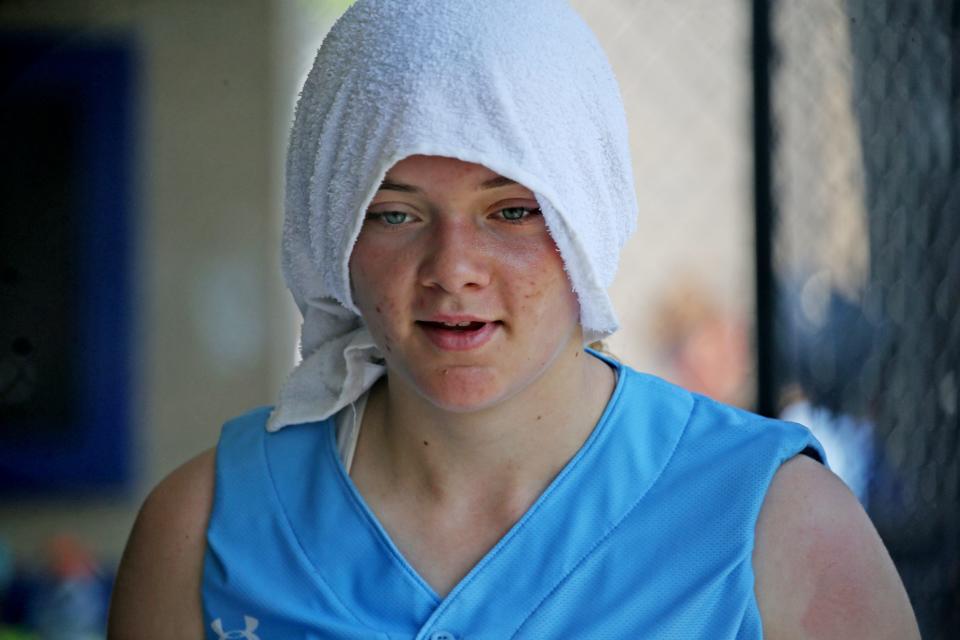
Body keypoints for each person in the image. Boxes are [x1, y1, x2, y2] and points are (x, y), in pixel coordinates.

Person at [108, 1, 919, 638]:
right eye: (393, 214)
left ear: (587, 220)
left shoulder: (780, 528)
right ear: (330, 232)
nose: (453, 267)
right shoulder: (200, 532)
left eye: (513, 211)